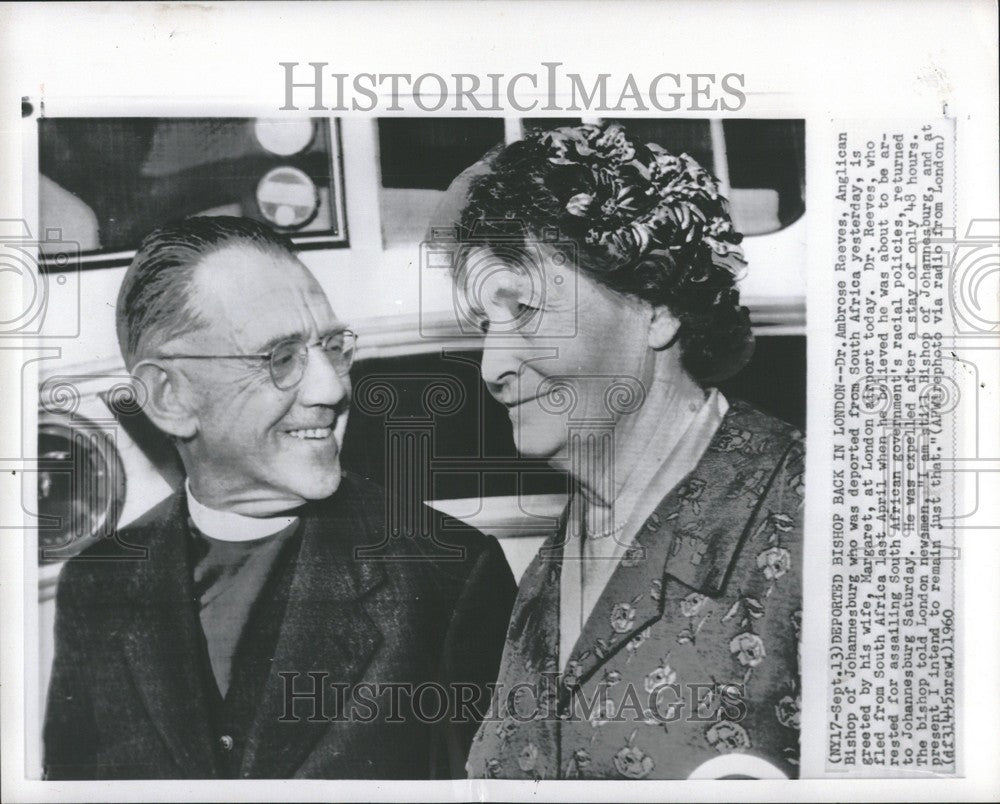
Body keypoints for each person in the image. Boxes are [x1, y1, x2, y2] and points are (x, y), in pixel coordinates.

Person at [42, 216, 516, 780]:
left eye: (333, 348)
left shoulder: (450, 575)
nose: (332, 388)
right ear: (169, 397)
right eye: (280, 358)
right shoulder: (95, 585)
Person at [440, 123, 805, 779]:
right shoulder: (547, 574)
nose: (493, 365)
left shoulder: (820, 518)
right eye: (486, 326)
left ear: (656, 307)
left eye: (525, 309)